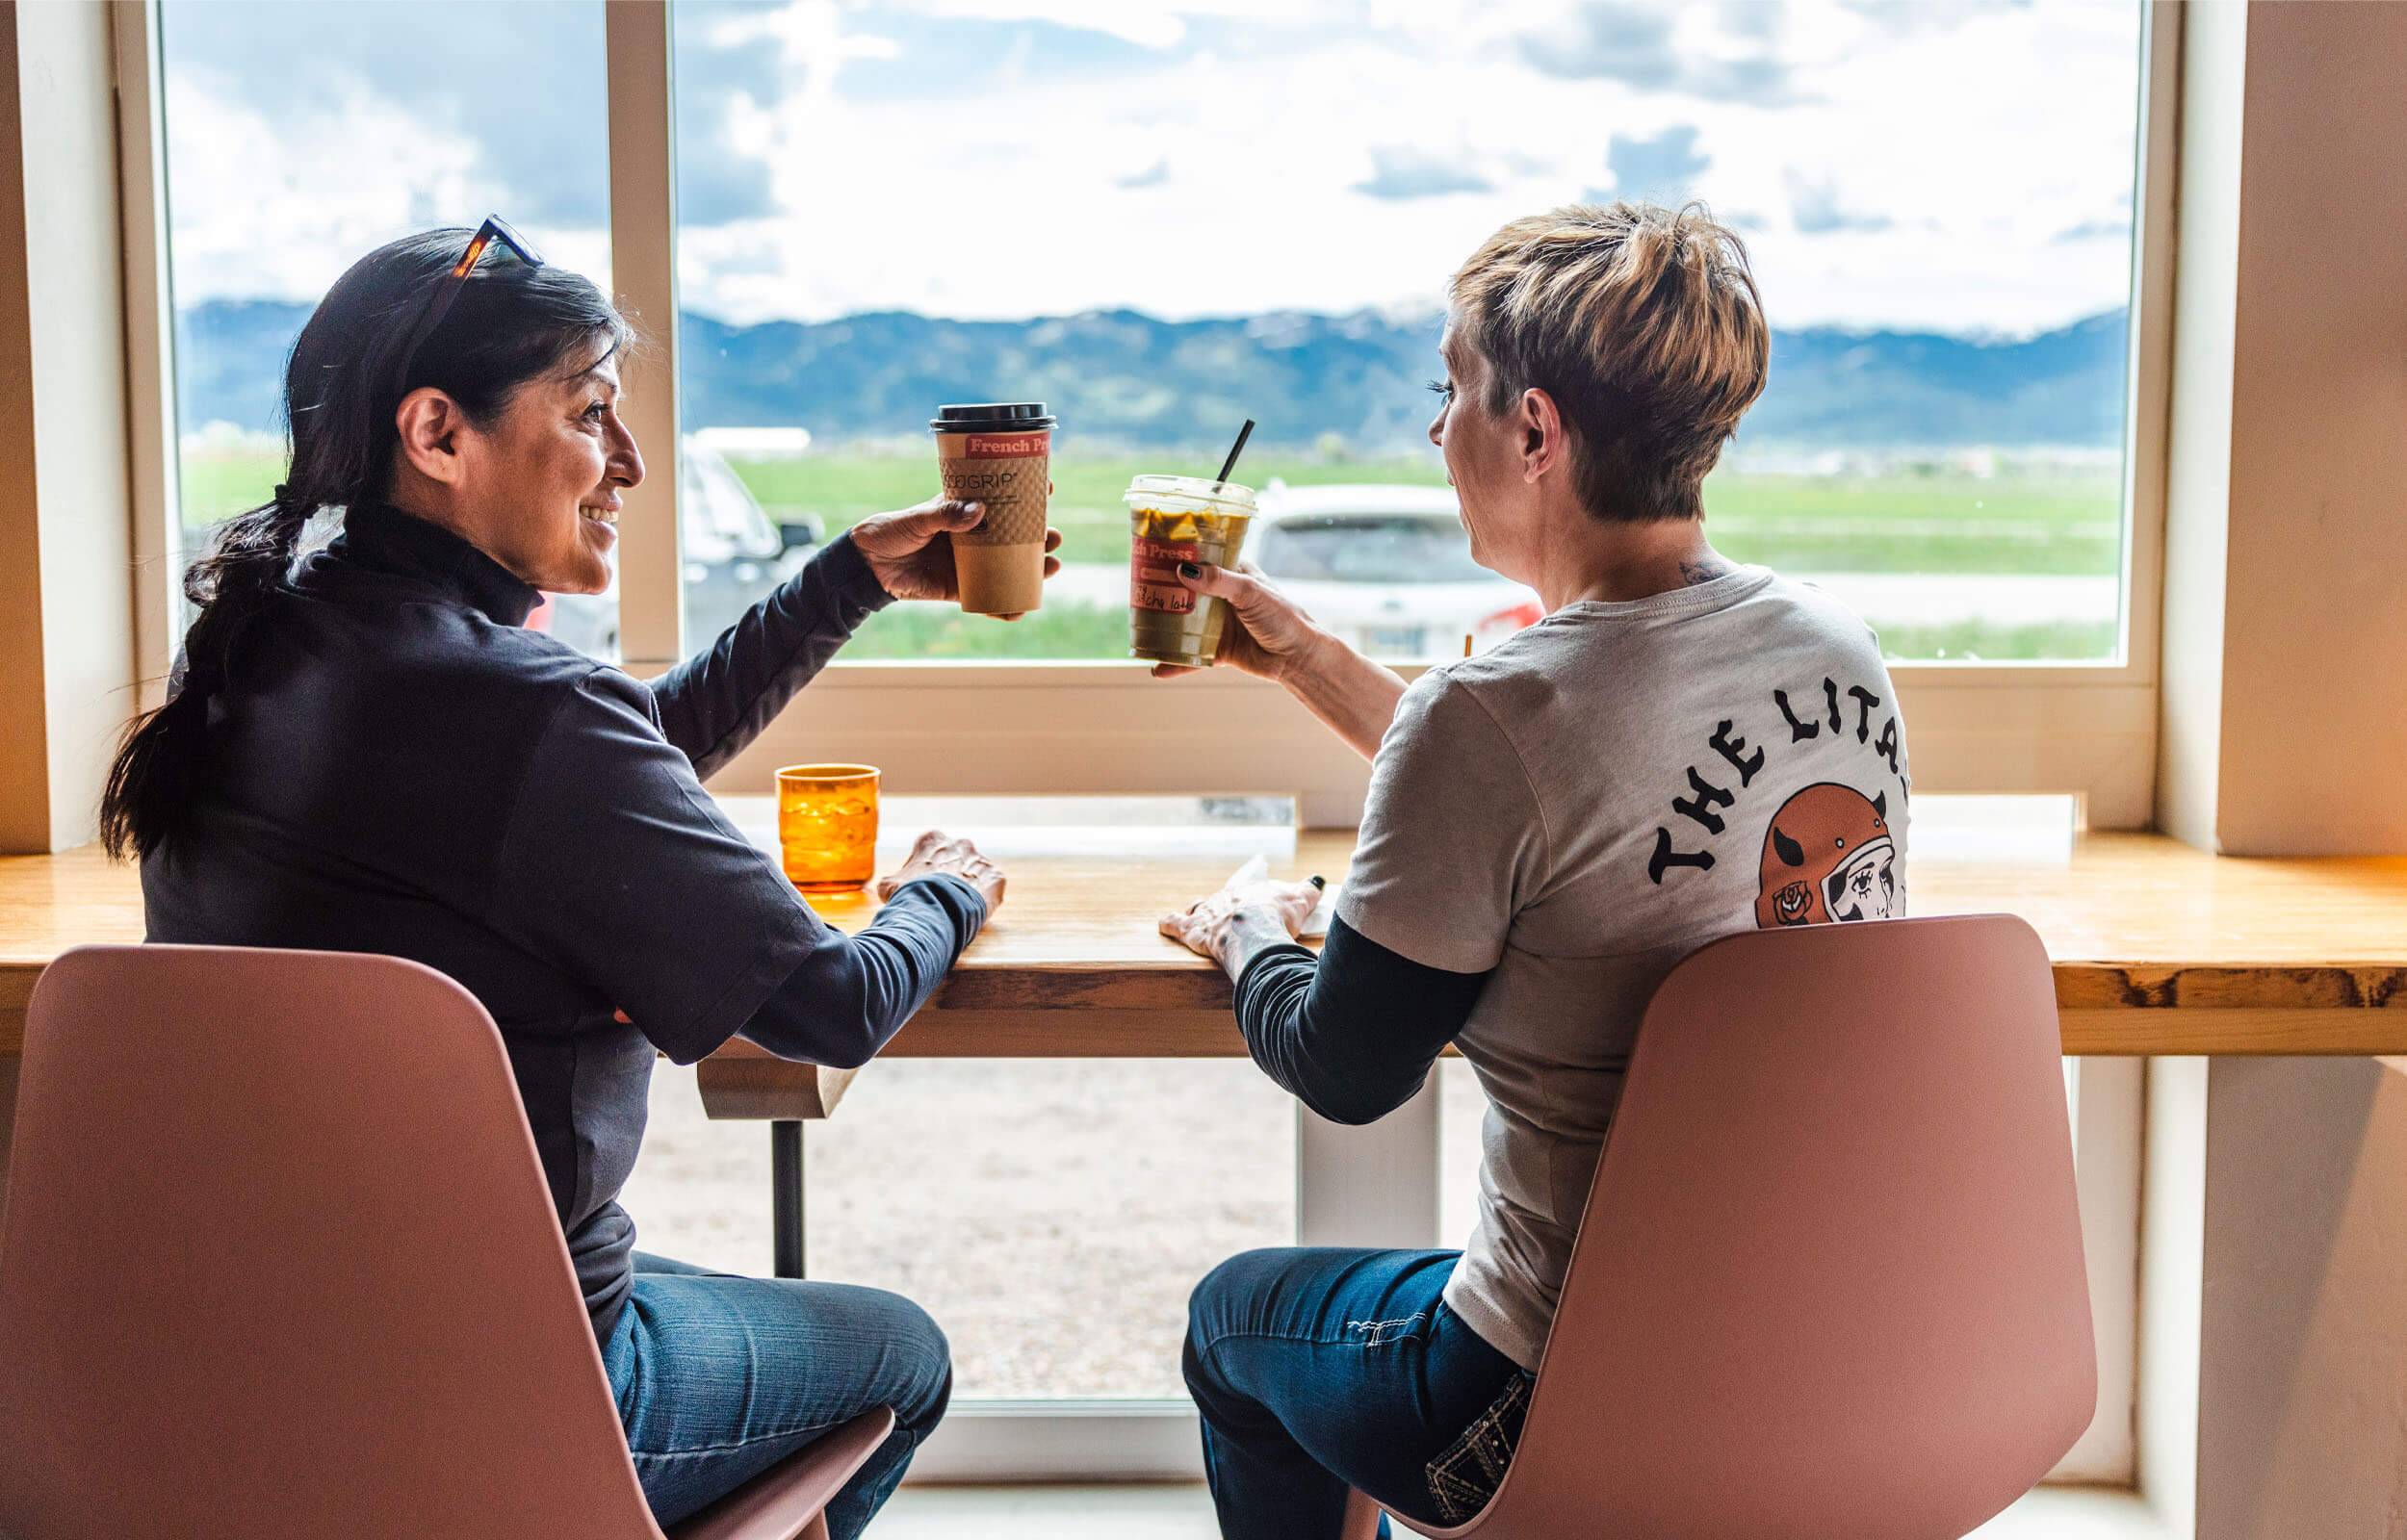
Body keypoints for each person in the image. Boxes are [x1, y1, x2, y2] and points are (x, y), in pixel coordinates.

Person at [99, 222, 1055, 1536]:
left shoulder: (268, 646)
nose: (632, 465)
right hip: (501, 1389)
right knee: (900, 1351)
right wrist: (944, 891)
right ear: (438, 434)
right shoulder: (518, 709)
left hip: (221, 1377)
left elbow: (599, 771)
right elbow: (827, 1005)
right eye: (593, 412)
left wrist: (838, 586)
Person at [1158, 202, 1913, 1537]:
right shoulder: (1833, 650)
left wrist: (1248, 935)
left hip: (1551, 1399)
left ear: (1534, 430)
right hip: (1818, 1358)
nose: (1434, 430)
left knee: (1236, 1323)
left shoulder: (1496, 717)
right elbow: (1589, 797)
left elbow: (1348, 1069)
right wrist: (1312, 661)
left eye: (1449, 388)